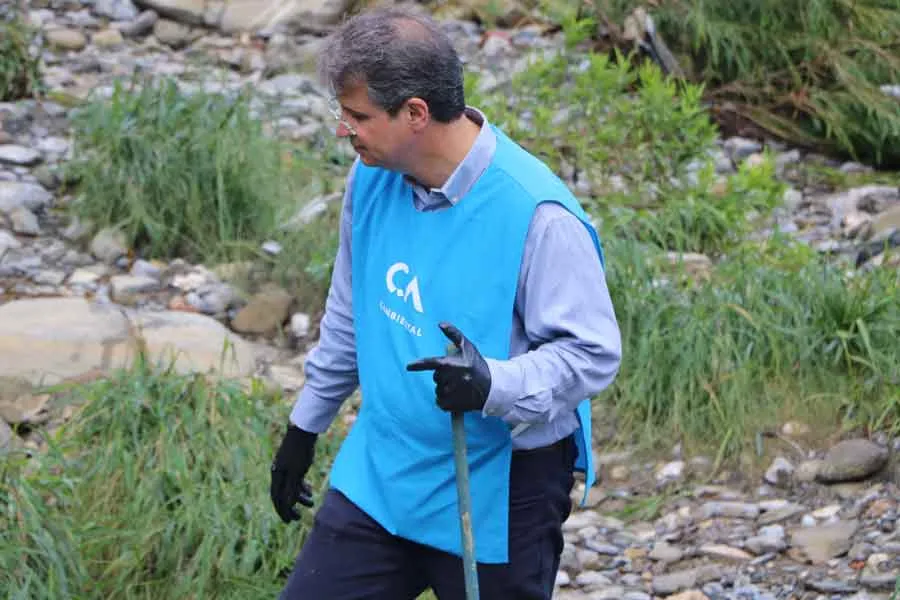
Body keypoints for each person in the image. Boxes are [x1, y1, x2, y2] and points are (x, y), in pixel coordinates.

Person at [269, 7, 622, 599]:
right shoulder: (372, 178)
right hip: (383, 476)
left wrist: (493, 383)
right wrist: (304, 427)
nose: (342, 130)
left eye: (356, 116)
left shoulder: (537, 214)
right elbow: (350, 316)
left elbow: (591, 353)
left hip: (500, 492)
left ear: (415, 113)